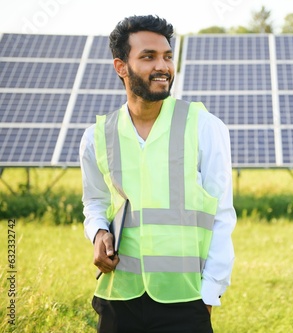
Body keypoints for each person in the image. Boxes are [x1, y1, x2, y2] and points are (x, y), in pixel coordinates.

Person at [79, 15, 236, 333]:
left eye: (167, 56)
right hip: (118, 297)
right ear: (121, 67)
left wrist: (210, 292)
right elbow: (94, 203)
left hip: (185, 300)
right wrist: (97, 233)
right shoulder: (97, 136)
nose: (162, 66)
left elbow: (221, 215)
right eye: (148, 57)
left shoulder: (204, 127)